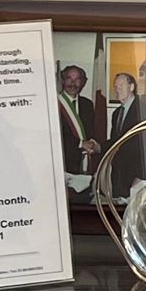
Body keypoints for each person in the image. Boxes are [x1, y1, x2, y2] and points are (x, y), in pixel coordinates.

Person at [55, 63, 101, 199]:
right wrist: (81, 144)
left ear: (82, 82)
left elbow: (91, 131)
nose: (73, 83)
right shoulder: (54, 104)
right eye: (69, 78)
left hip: (85, 167)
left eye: (77, 79)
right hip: (64, 167)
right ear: (63, 80)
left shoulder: (87, 104)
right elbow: (57, 135)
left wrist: (92, 143)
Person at [101, 71, 145, 195]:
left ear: (132, 87)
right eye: (115, 86)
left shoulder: (143, 110)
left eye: (121, 85)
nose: (117, 89)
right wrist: (98, 146)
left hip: (135, 175)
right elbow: (116, 141)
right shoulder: (116, 114)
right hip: (118, 174)